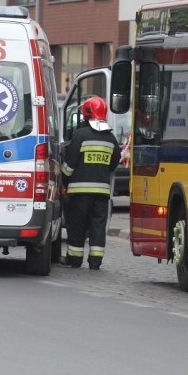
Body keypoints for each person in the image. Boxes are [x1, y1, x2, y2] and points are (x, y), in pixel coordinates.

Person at [60, 96, 119, 270]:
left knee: (77, 225)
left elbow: (68, 166)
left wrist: (64, 181)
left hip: (79, 193)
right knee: (98, 226)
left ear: (87, 114)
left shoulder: (80, 135)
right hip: (102, 193)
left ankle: (74, 259)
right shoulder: (111, 138)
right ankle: (95, 262)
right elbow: (113, 164)